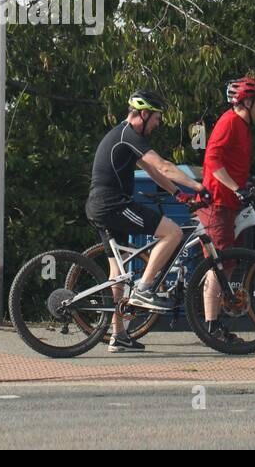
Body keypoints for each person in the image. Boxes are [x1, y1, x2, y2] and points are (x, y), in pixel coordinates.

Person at [85, 89, 207, 352]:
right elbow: (164, 166)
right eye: (156, 118)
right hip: (112, 205)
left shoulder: (124, 135)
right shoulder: (128, 134)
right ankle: (144, 288)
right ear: (143, 113)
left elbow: (152, 171)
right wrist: (199, 187)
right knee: (172, 233)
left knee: (117, 274)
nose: (158, 123)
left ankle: (118, 336)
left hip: (101, 206)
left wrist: (178, 193)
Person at [198, 76, 255, 347]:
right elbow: (212, 160)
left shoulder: (242, 126)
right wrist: (235, 187)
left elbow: (231, 163)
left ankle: (214, 324)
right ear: (247, 102)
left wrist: (245, 185)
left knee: (227, 264)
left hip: (230, 204)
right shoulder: (230, 122)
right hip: (217, 203)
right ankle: (211, 327)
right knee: (218, 265)